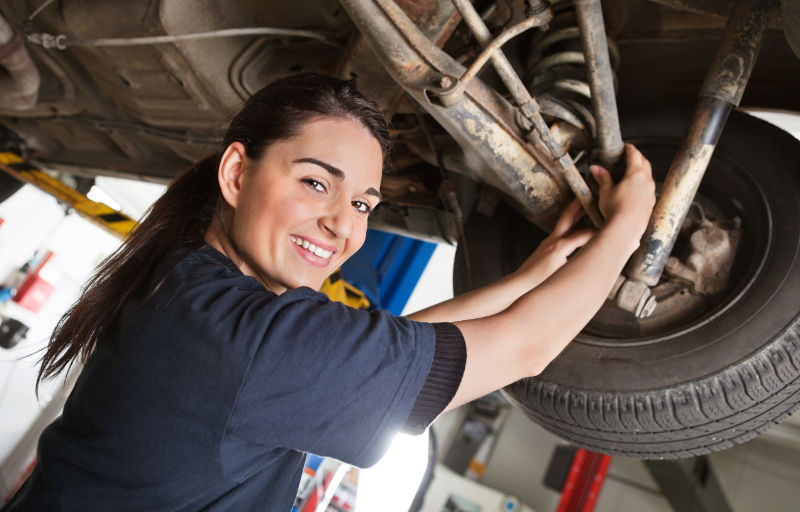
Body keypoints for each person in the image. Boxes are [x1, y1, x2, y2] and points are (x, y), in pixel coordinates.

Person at [2, 73, 655, 511]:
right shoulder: (246, 340)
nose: (344, 225)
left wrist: (532, 275)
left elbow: (389, 349)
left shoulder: (187, 287)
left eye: (365, 203)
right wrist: (627, 227)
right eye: (316, 182)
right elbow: (526, 348)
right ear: (236, 173)